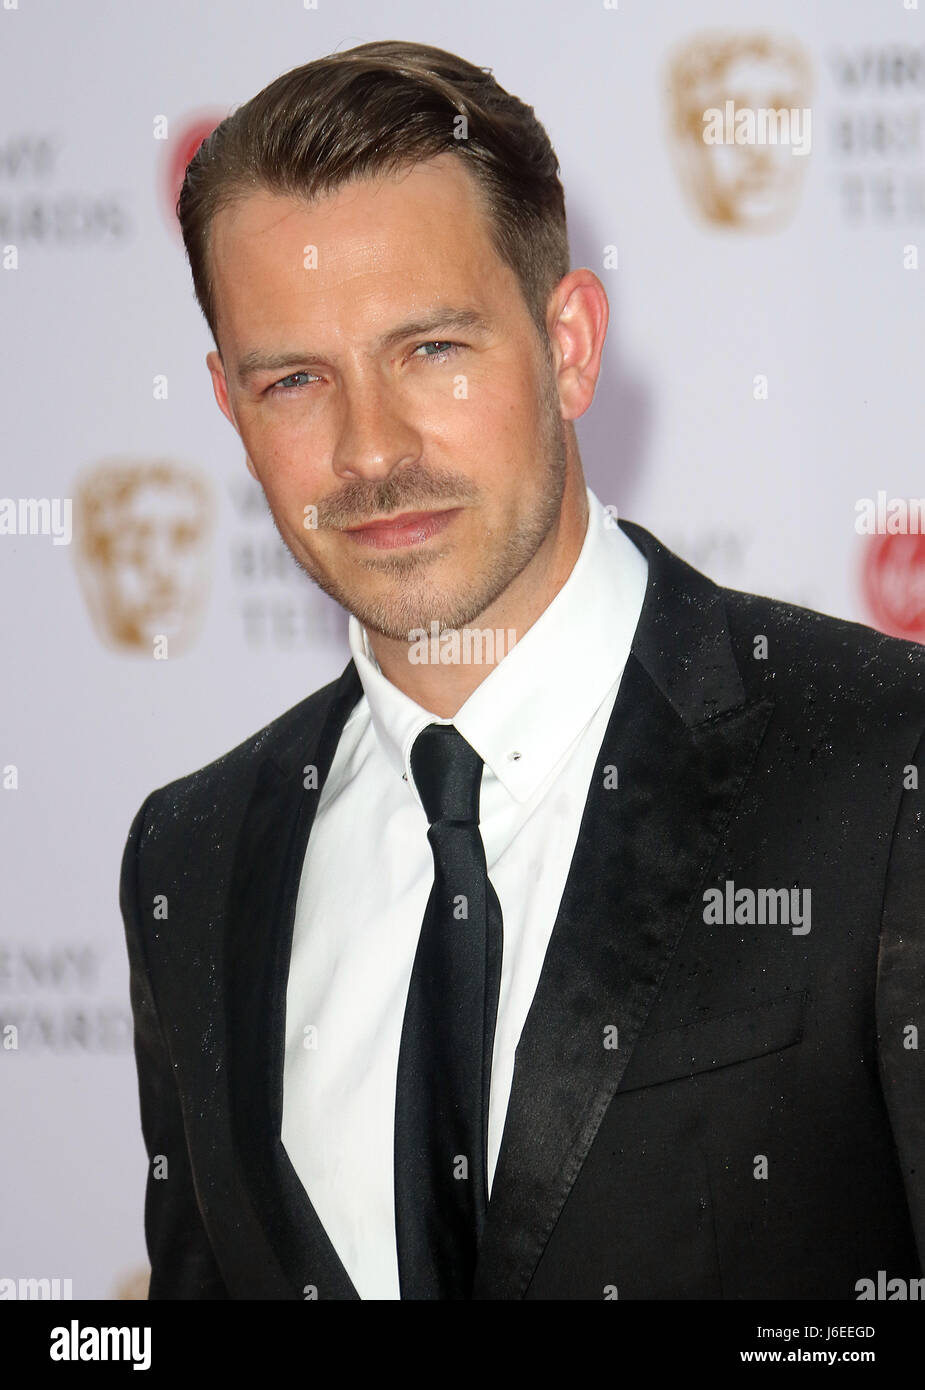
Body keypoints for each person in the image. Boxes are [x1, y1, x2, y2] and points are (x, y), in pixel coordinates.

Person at [120, 39, 925, 1301]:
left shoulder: (880, 765)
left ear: (568, 345)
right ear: (227, 402)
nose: (370, 450)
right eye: (295, 381)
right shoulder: (191, 856)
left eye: (432, 350)